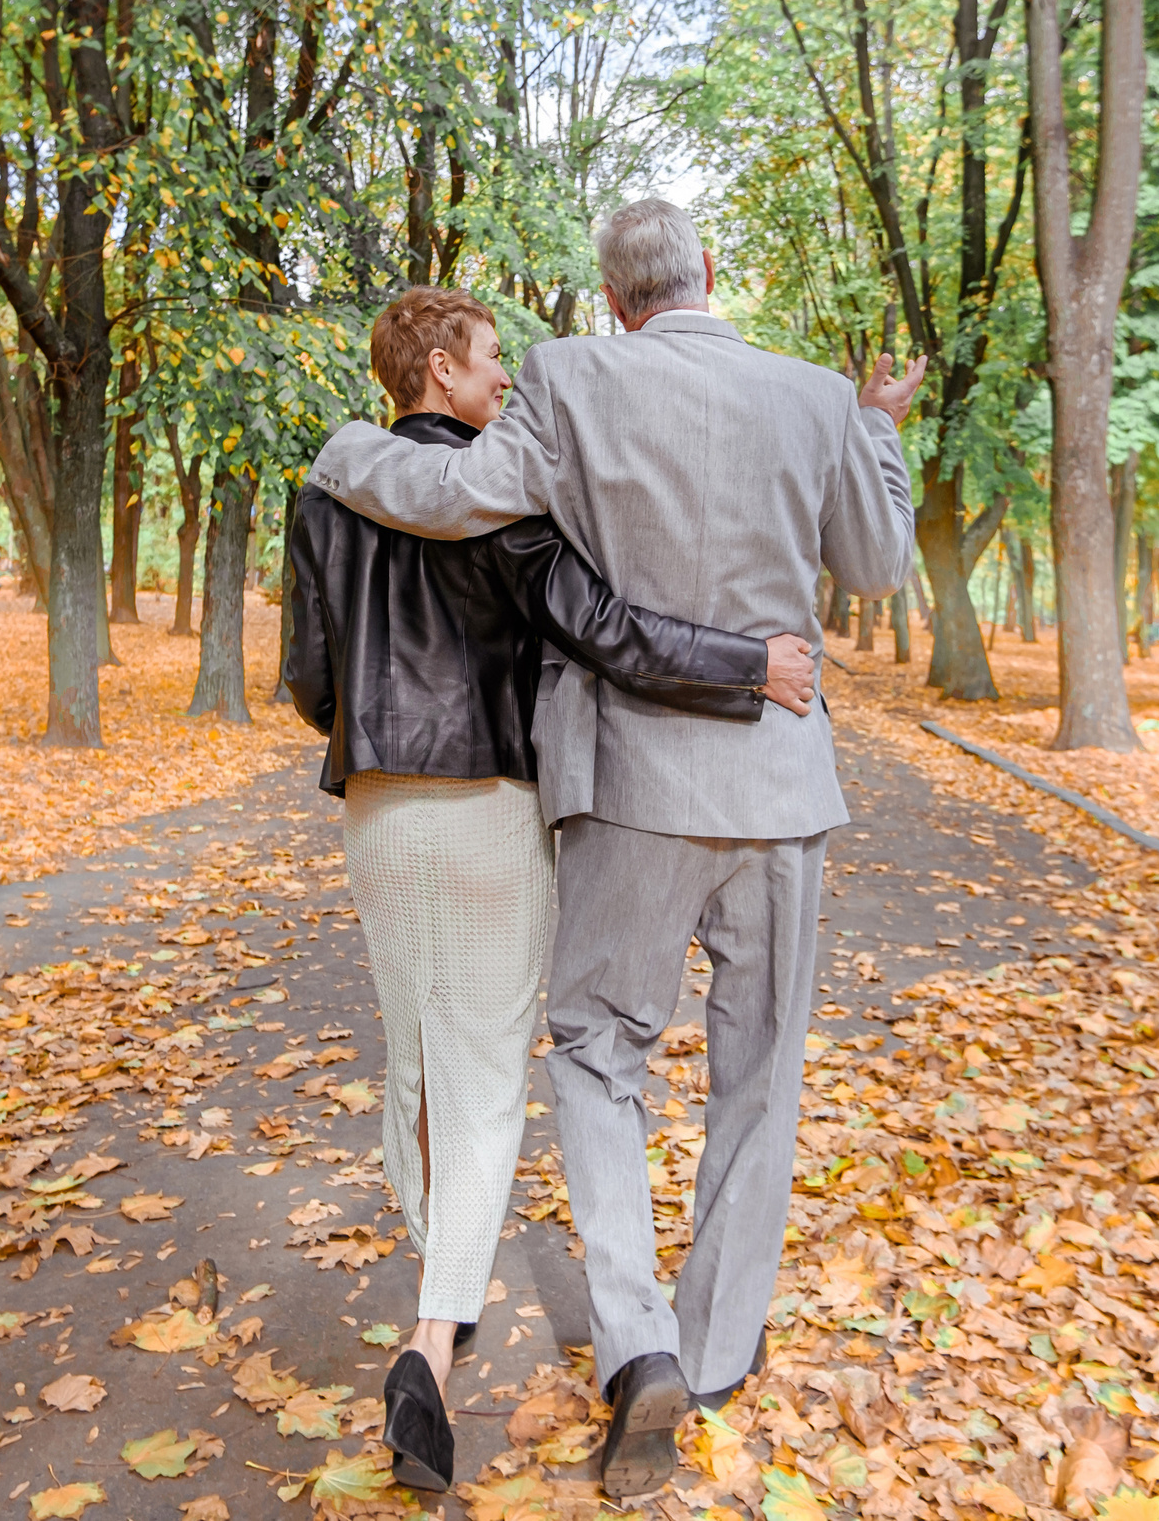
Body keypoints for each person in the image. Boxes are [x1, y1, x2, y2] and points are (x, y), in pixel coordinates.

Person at [305, 202, 919, 1499]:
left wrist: (346, 448)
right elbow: (876, 562)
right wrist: (875, 430)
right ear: (708, 275)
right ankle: (712, 1352)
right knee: (759, 1075)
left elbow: (455, 490)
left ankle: (635, 1343)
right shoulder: (814, 399)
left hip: (633, 784)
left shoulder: (571, 379)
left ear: (612, 294)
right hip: (782, 783)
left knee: (598, 1055)